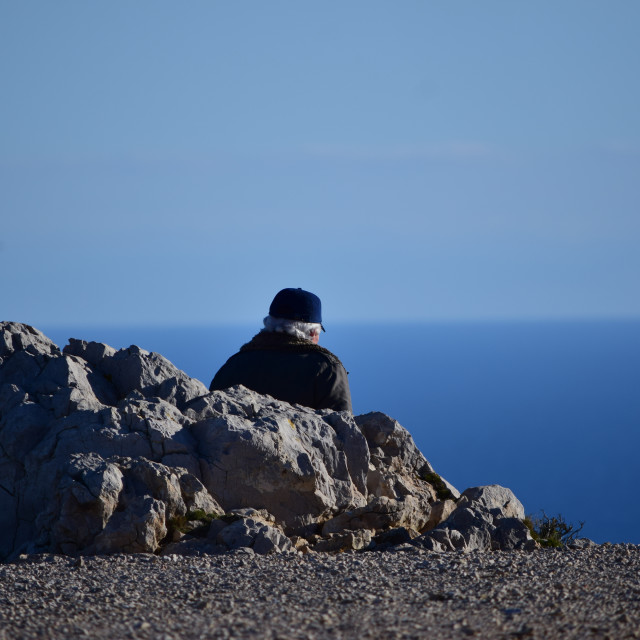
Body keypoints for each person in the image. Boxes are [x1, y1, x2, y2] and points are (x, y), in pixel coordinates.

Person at [209, 288, 352, 412]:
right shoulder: (327, 369)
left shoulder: (234, 363)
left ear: (269, 323)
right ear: (313, 333)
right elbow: (344, 429)